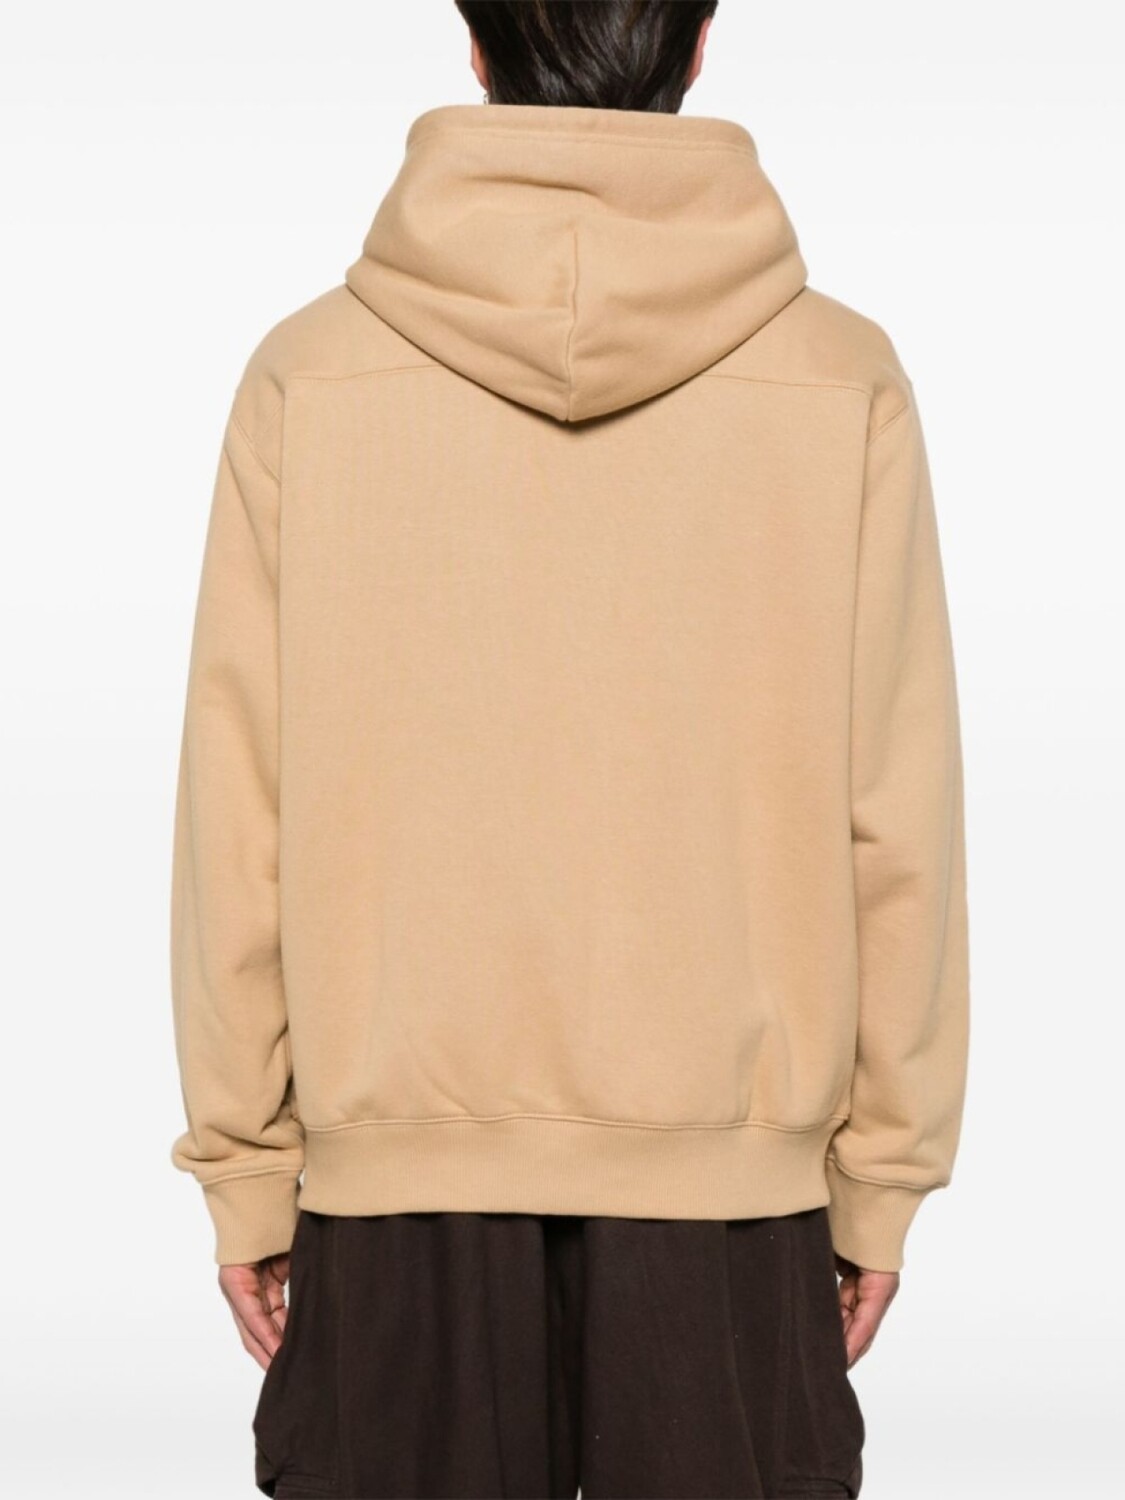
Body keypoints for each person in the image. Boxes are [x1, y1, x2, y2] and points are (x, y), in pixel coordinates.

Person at [168, 2, 970, 1496]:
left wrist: (245, 1166)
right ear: (701, 40)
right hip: (733, 1205)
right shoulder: (840, 377)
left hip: (394, 1195)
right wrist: (882, 1175)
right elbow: (897, 814)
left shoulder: (308, 377)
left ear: (474, 47)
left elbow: (239, 814)